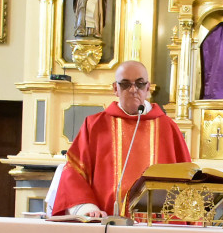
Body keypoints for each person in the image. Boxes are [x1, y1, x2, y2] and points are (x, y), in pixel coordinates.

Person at [52, 60, 191, 218]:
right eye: (125, 84)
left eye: (139, 84)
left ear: (148, 88)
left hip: (157, 225)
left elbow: (186, 178)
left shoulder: (167, 127)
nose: (133, 90)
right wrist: (87, 207)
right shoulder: (95, 126)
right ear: (115, 88)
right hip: (107, 222)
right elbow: (74, 172)